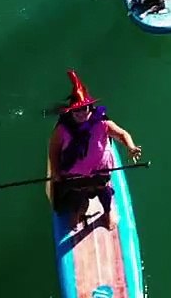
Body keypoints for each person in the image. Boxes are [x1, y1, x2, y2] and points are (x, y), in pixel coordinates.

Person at [48, 70, 142, 231]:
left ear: (90, 108)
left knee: (103, 190)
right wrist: (56, 171)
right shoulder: (62, 129)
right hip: (74, 173)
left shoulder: (102, 123)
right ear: (71, 111)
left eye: (84, 109)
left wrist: (131, 147)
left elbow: (122, 134)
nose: (81, 113)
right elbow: (54, 149)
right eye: (77, 110)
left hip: (100, 169)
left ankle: (108, 212)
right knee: (76, 193)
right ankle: (76, 213)